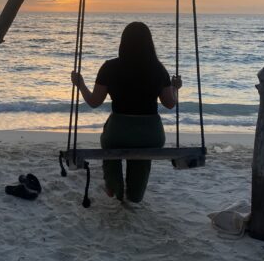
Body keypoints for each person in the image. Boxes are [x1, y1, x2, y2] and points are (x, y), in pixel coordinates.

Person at [71, 21, 181, 203]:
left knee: (110, 145)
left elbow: (94, 102)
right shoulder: (158, 69)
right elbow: (170, 104)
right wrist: (176, 88)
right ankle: (135, 194)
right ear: (149, 43)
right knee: (142, 158)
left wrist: (80, 84)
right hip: (150, 135)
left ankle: (114, 186)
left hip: (119, 132)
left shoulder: (109, 67)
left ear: (123, 42)